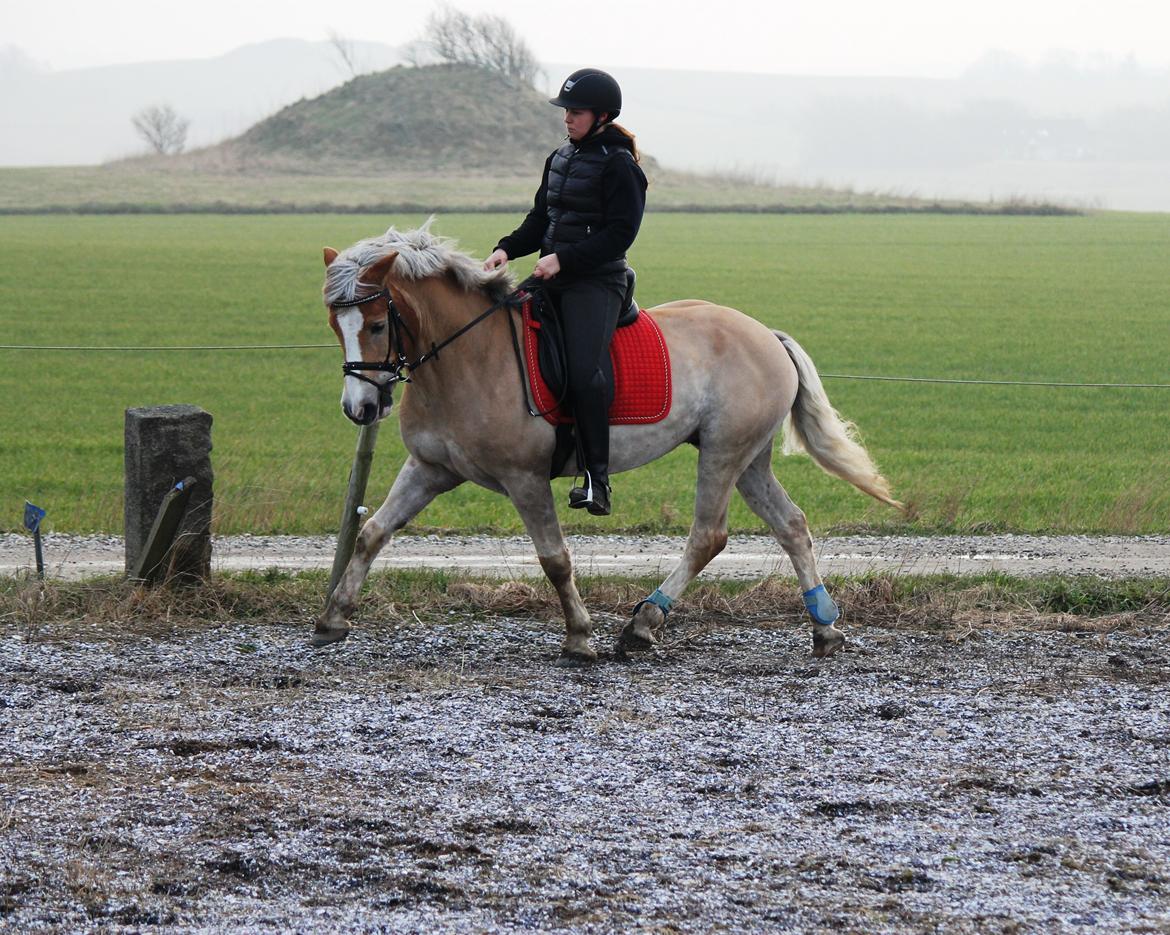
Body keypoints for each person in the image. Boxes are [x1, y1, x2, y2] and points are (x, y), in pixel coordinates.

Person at [484, 68, 648, 517]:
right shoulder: (559, 158)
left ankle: (597, 478)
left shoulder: (621, 166)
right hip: (552, 274)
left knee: (582, 370)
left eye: (575, 112)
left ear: (602, 116)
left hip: (598, 281)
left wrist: (565, 259)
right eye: (566, 111)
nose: (567, 119)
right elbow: (541, 220)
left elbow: (620, 234)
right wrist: (506, 248)